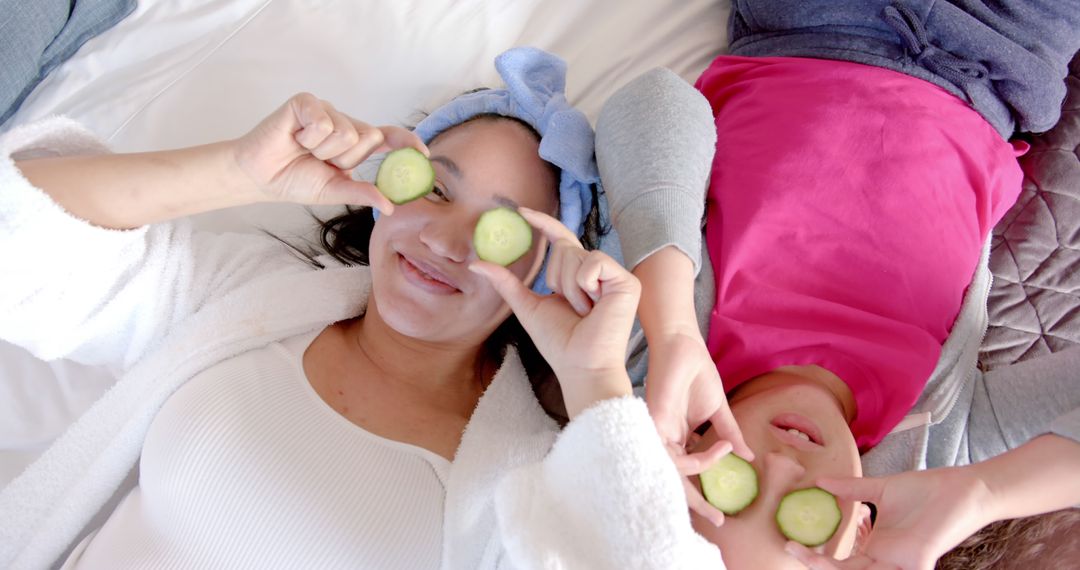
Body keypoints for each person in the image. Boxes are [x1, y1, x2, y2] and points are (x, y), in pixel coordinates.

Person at [0, 47, 722, 569]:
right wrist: (238, 171)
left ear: (543, 277)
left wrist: (597, 380)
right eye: (434, 189)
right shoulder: (245, 300)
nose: (445, 240)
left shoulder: (532, 479)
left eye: (501, 233)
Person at [593, 1, 1080, 568]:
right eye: (804, 514)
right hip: (999, 57)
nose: (782, 466)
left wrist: (672, 325)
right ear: (858, 541)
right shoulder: (940, 448)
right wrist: (983, 493)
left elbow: (653, 101)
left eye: (731, 484)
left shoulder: (658, 360)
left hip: (814, 22)